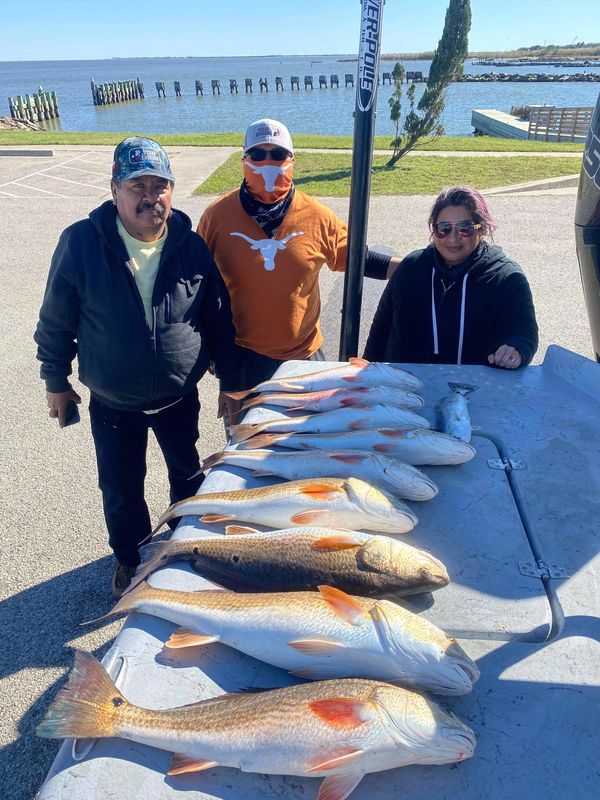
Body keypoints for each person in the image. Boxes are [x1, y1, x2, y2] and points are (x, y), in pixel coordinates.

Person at [34, 136, 241, 597]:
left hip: (177, 396)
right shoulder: (83, 243)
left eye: (159, 185)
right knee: (123, 489)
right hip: (113, 401)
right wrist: (56, 379)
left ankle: (185, 552)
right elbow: (55, 318)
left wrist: (230, 381)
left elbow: (218, 317)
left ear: (172, 189)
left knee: (187, 477)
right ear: (115, 190)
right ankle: (130, 561)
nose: (150, 197)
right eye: (137, 186)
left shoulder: (190, 245)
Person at [197, 118, 400, 392]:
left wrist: (418, 267)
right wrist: (211, 352)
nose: (268, 161)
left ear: (291, 159)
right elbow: (195, 283)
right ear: (244, 158)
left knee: (313, 432)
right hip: (244, 358)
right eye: (258, 154)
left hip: (305, 356)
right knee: (250, 433)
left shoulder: (317, 216)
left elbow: (358, 260)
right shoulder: (217, 216)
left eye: (278, 154)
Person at [364, 185, 538, 369]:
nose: (453, 238)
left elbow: (524, 332)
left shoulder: (506, 278)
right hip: (406, 388)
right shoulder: (411, 268)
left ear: (482, 229)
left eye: (465, 228)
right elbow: (380, 330)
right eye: (444, 228)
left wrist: (516, 349)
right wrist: (364, 376)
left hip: (473, 391)